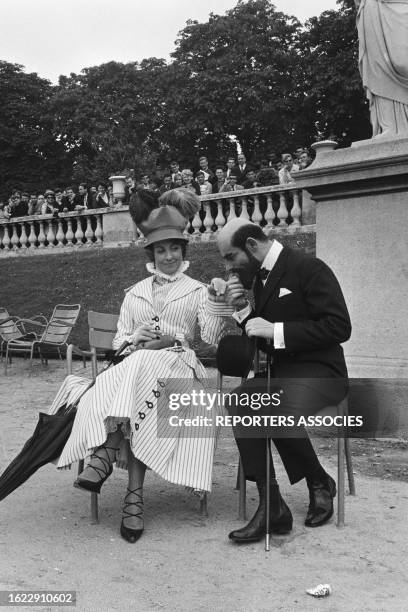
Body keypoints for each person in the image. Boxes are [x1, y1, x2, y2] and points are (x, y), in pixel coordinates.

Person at [47, 189, 232, 543]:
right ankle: (134, 497)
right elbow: (119, 343)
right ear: (151, 253)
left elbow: (209, 336)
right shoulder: (135, 293)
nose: (168, 256)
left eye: (174, 249)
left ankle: (106, 451)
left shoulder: (197, 290)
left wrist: (215, 302)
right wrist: (136, 336)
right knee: (141, 364)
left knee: (145, 363)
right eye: (161, 250)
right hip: (137, 376)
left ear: (183, 251)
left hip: (179, 368)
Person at [212, 218, 351, 543]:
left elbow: (339, 326)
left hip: (323, 372)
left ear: (251, 246)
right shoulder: (260, 282)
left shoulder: (309, 268)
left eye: (231, 258)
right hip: (284, 376)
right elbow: (263, 341)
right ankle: (272, 503)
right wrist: (243, 311)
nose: (229, 269)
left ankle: (318, 481)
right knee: (240, 399)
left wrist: (276, 330)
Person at [355, 0, 408, 138]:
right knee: (378, 67)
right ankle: (390, 126)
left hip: (399, 6)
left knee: (402, 61)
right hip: (373, 7)